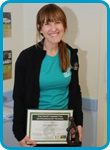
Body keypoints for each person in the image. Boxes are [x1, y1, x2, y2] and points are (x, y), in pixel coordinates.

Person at [12, 3, 83, 147]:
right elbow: (18, 97)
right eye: (47, 24)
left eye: (58, 22)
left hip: (66, 130)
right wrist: (19, 134)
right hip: (36, 132)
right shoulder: (26, 58)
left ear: (64, 25)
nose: (54, 29)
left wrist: (79, 123)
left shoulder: (71, 55)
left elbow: (75, 91)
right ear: (40, 28)